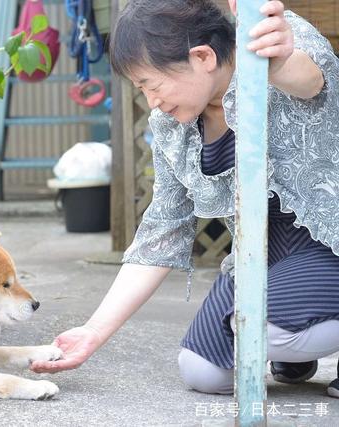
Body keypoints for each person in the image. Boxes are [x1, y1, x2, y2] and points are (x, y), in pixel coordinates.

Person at [31, 0, 339, 397]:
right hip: (262, 258)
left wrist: (278, 66)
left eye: (152, 84)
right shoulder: (172, 127)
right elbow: (161, 232)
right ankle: (296, 344)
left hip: (330, 247)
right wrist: (93, 331)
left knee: (257, 329)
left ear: (203, 57)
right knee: (202, 370)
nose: (151, 100)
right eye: (141, 88)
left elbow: (314, 80)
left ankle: (294, 333)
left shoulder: (270, 42)